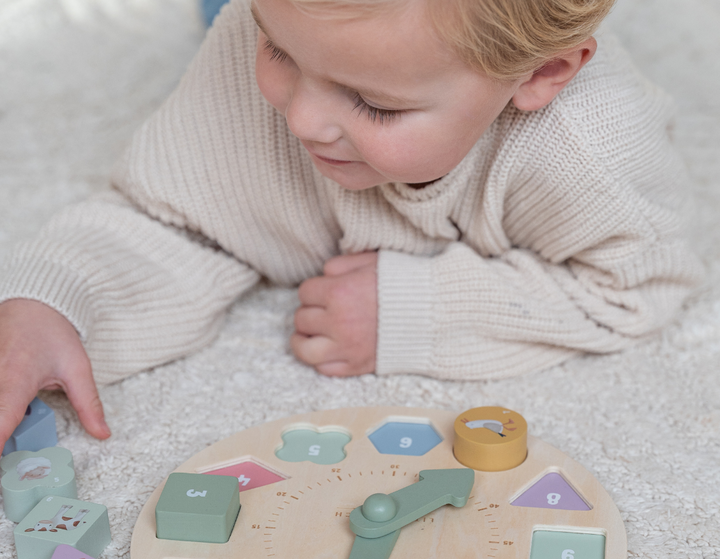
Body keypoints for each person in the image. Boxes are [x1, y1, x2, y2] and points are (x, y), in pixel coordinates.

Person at [0, 0, 703, 449]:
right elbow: (172, 216)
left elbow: (636, 288)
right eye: (279, 54)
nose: (300, 119)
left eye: (375, 104)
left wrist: (420, 313)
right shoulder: (261, 22)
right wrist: (55, 300)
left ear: (542, 74)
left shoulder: (595, 142)